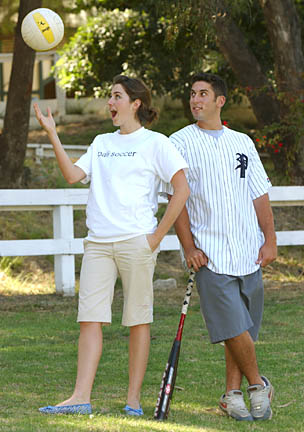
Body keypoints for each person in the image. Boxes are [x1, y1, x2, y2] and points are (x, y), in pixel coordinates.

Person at [34, 74, 189, 416]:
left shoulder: (156, 143)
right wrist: (52, 134)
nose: (110, 103)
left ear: (136, 104)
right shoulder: (102, 141)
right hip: (98, 244)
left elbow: (182, 190)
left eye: (117, 96)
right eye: (109, 96)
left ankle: (133, 400)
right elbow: (73, 176)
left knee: (138, 321)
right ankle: (79, 397)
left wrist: (156, 236)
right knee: (90, 320)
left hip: (137, 242)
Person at [162, 72, 277, 421]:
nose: (195, 100)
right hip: (209, 255)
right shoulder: (178, 142)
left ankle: (231, 395)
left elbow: (259, 194)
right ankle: (259, 384)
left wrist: (270, 240)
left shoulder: (242, 142)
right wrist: (189, 247)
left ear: (220, 101)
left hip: (248, 250)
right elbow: (175, 200)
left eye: (203, 94)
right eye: (192, 94)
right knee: (232, 326)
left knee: (239, 329)